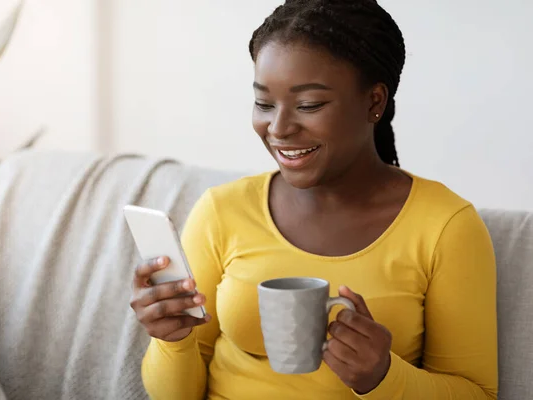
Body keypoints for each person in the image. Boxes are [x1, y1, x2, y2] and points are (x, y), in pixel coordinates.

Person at [130, 0, 498, 398]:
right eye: (264, 103)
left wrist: (384, 377)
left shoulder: (445, 226)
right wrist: (172, 339)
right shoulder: (222, 211)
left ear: (374, 101)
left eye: (309, 105)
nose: (279, 127)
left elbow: (476, 392)